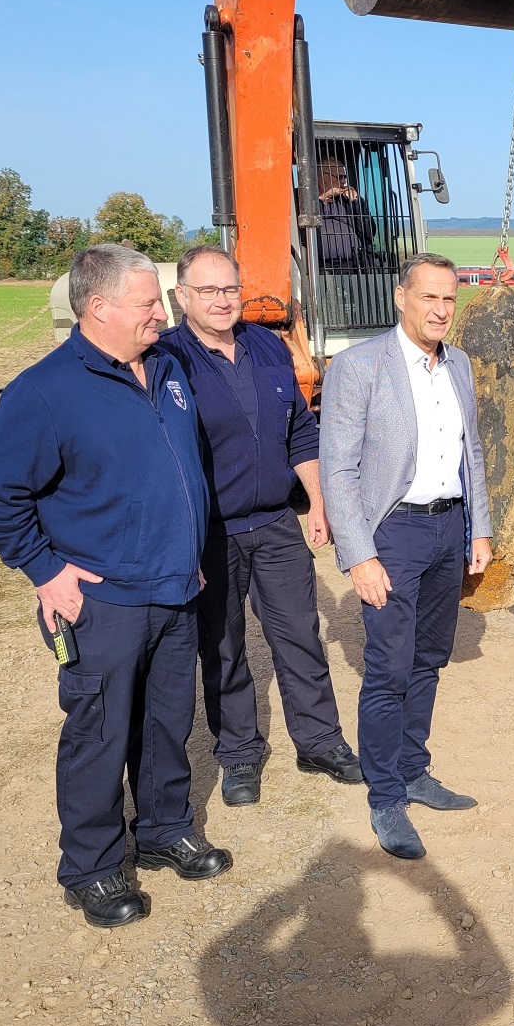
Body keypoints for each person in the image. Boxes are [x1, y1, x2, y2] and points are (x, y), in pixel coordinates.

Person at [0, 244, 230, 929]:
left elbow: (179, 467)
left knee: (168, 723)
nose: (161, 314)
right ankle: (94, 867)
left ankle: (165, 828)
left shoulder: (166, 366)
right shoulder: (47, 391)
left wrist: (189, 546)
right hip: (100, 600)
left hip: (174, 586)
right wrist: (45, 570)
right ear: (98, 307)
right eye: (148, 303)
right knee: (99, 733)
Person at [157, 244, 364, 808]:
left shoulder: (268, 346)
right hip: (211, 532)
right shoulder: (166, 361)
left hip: (276, 522)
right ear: (182, 297)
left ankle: (319, 742)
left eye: (230, 289)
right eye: (208, 291)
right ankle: (240, 753)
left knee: (300, 635)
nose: (223, 301)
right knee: (221, 645)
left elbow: (300, 430)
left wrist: (316, 502)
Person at [319, 253, 493, 859]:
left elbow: (473, 453)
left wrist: (481, 528)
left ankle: (415, 770)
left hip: (449, 530)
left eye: (449, 299)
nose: (441, 310)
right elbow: (338, 470)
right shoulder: (359, 366)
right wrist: (358, 555)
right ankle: (385, 795)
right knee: (389, 668)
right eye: (429, 298)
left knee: (428, 659)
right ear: (401, 298)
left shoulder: (461, 365)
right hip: (392, 532)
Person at [318, 157, 377, 273]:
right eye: (339, 177)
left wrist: (356, 201)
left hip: (352, 267)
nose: (344, 181)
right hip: (316, 269)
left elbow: (369, 233)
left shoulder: (349, 202)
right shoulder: (302, 200)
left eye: (344, 177)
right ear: (321, 177)